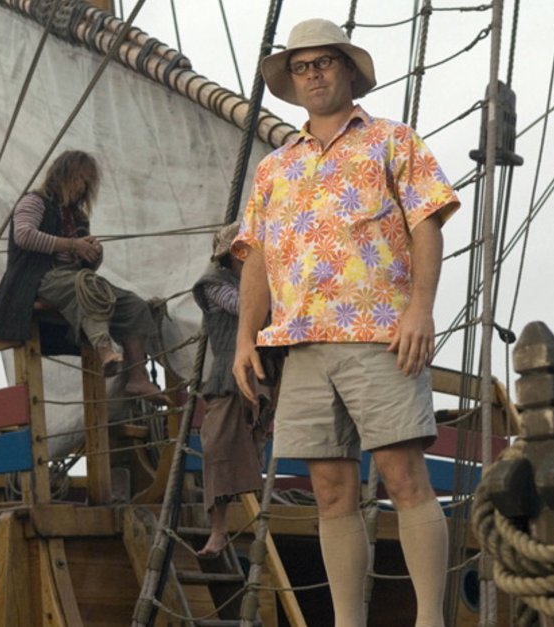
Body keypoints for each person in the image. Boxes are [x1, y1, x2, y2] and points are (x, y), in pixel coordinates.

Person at [231, 19, 460, 627]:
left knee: (402, 476)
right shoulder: (274, 167)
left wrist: (420, 309)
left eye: (324, 62)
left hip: (379, 336)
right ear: (292, 80)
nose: (313, 75)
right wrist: (244, 339)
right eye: (301, 67)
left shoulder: (392, 141)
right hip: (301, 344)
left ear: (349, 70)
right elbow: (255, 256)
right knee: (330, 491)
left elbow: (427, 225)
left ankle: (430, 619)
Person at [0, 149, 165, 402]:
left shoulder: (77, 217)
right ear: (62, 175)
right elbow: (23, 235)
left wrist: (93, 254)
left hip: (73, 280)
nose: (82, 187)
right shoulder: (34, 202)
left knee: (133, 305)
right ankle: (105, 352)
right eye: (78, 179)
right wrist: (72, 245)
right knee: (86, 285)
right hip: (36, 280)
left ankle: (137, 378)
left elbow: (83, 267)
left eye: (87, 182)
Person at [191, 223, 273, 558]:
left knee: (254, 444)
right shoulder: (214, 284)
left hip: (263, 373)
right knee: (218, 447)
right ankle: (218, 530)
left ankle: (255, 521)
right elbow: (246, 309)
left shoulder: (267, 282)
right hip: (227, 376)